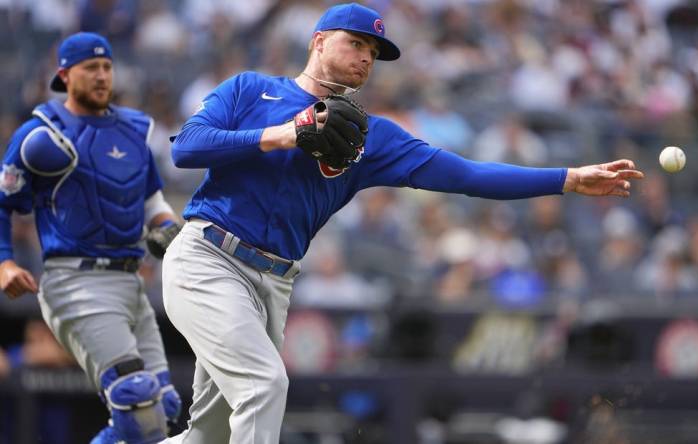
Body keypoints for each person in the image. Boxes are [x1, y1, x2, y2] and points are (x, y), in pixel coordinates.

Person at [162, 3, 644, 443]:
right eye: (355, 43)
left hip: (274, 283)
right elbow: (186, 147)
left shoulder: (372, 137)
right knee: (265, 384)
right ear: (319, 41)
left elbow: (468, 175)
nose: (366, 57)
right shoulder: (251, 89)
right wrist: (284, 134)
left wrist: (566, 178)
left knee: (210, 435)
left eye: (373, 51)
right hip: (209, 257)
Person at [0, 32, 182, 443]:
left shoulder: (135, 131)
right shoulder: (42, 135)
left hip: (130, 281)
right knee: (135, 398)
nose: (101, 76)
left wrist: (167, 227)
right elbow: (3, 202)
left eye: (106, 67)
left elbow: (151, 198)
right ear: (65, 74)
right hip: (76, 280)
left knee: (161, 408)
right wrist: (5, 261)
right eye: (90, 68)